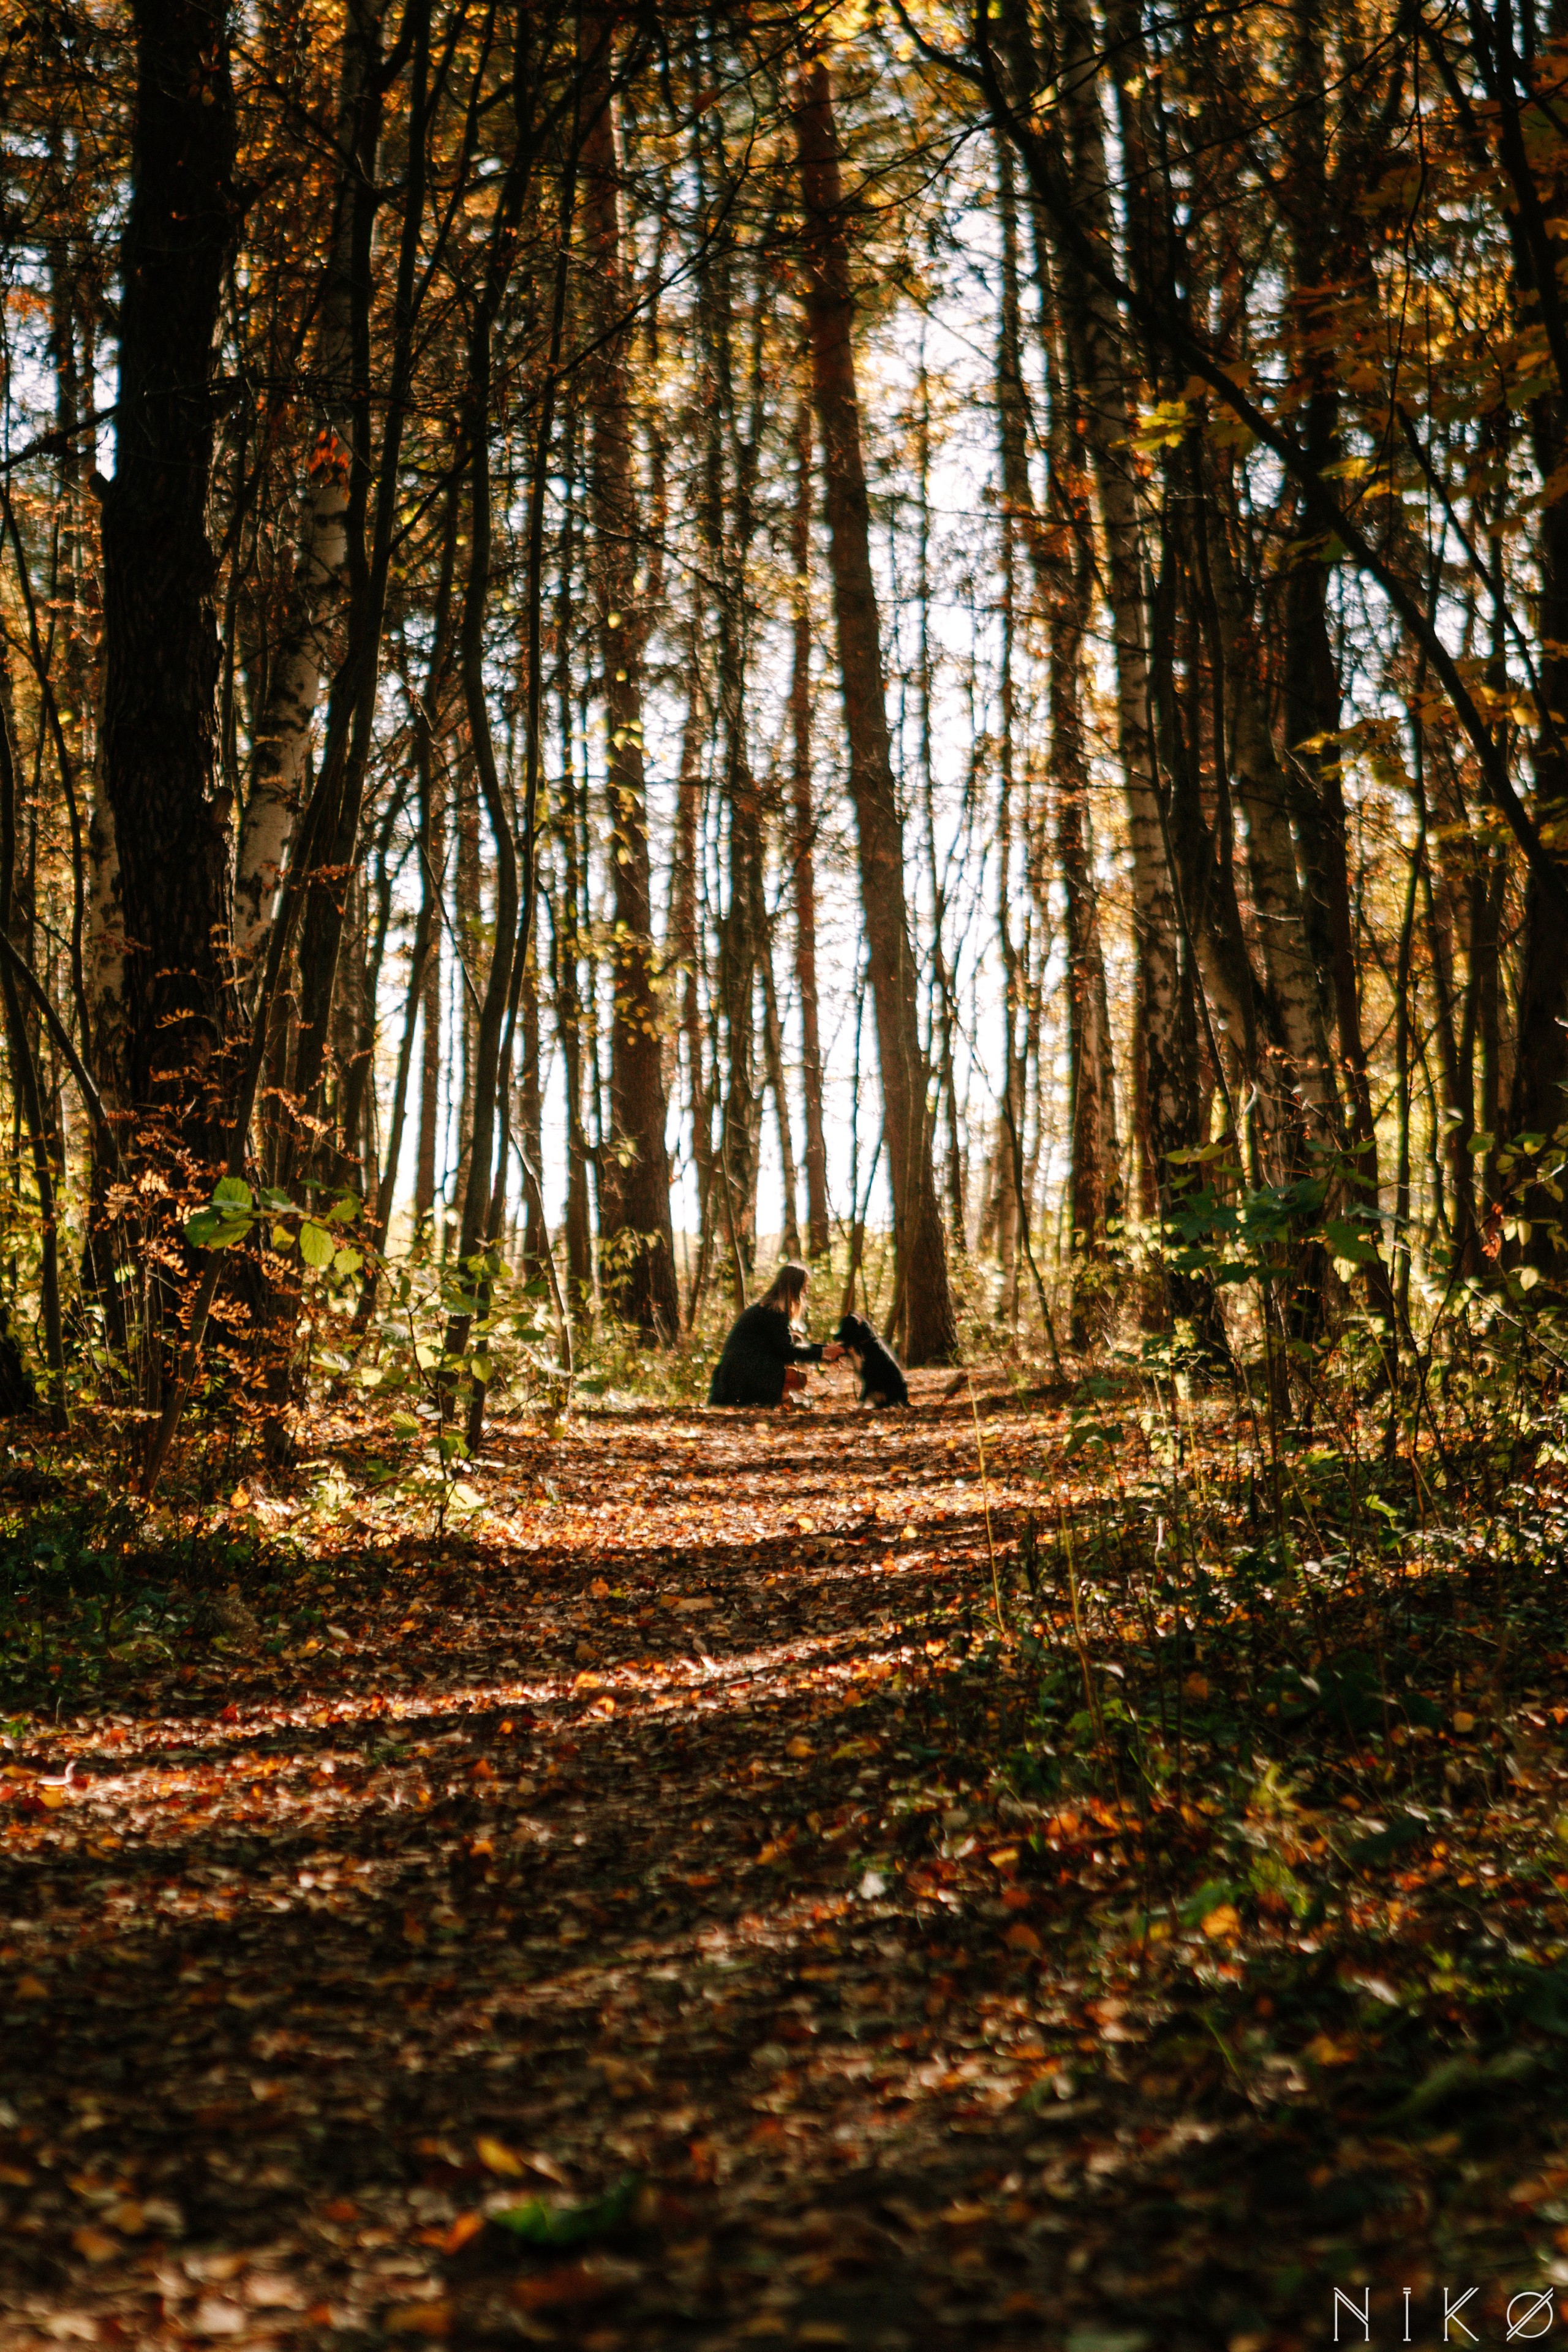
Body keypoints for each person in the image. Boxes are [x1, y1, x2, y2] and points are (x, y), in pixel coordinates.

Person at [707, 1261, 842, 1408]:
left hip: (735, 1376)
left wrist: (825, 1350)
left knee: (793, 1376)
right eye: (805, 1286)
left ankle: (782, 1401)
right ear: (795, 1287)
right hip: (743, 1380)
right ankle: (776, 1401)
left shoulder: (766, 1307)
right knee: (798, 1379)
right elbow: (786, 1353)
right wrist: (822, 1353)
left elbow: (786, 1346)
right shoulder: (774, 1311)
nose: (806, 1291)